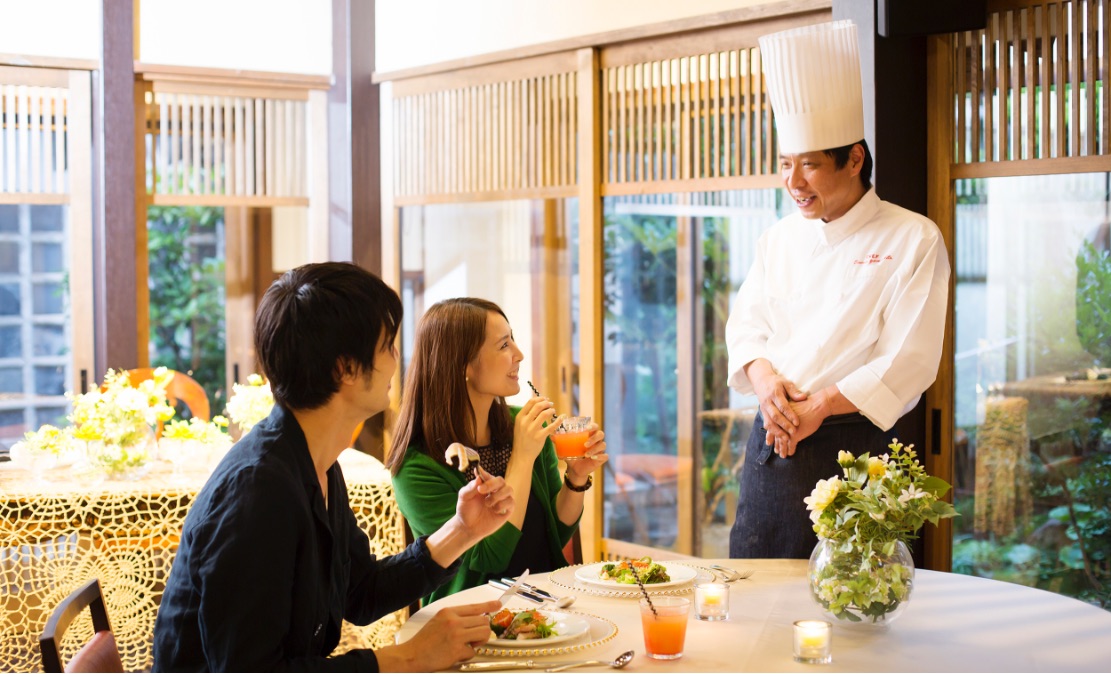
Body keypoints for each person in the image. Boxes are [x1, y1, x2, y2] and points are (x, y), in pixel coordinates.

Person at [152, 263, 516, 672]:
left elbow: (359, 593)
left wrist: (463, 530)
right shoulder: (259, 491)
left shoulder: (316, 463)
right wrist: (405, 658)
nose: (398, 361)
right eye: (388, 347)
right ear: (345, 369)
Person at [726, 20, 950, 559]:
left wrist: (821, 405)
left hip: (859, 452)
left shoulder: (912, 236)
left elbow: (910, 359)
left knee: (855, 610)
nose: (794, 183)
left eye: (810, 165)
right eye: (785, 165)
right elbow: (747, 326)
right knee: (759, 604)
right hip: (774, 443)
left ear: (854, 158)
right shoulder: (777, 238)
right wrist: (766, 384)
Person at [387, 297, 607, 602]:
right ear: (462, 364)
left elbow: (555, 533)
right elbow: (490, 558)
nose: (519, 354)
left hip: (550, 608)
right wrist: (522, 456)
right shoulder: (417, 467)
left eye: (512, 341)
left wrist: (576, 478)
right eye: (504, 346)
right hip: (473, 623)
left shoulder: (522, 425)